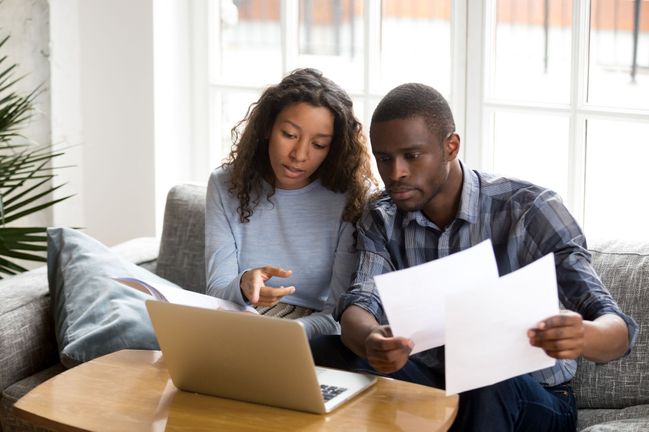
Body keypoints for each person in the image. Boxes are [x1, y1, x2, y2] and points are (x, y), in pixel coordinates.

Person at [310, 83, 638, 431]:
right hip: (436, 386)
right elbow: (361, 303)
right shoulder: (382, 216)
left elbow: (617, 330)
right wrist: (372, 341)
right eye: (384, 158)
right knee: (323, 351)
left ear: (451, 146)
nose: (395, 173)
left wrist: (583, 335)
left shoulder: (529, 210)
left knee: (484, 374)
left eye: (412, 155)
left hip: (532, 398)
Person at [205, 68, 375, 339]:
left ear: (334, 149)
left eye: (318, 145)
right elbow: (216, 293)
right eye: (289, 135)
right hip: (239, 320)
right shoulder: (225, 184)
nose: (299, 155)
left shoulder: (351, 196)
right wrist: (244, 284)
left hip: (313, 333)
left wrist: (286, 333)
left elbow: (339, 314)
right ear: (267, 128)